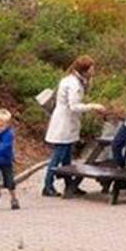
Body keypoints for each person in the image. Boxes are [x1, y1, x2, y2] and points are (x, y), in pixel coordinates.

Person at [42, 55, 106, 198]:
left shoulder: (73, 80)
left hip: (67, 123)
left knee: (66, 158)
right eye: (91, 68)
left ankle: (70, 185)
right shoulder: (73, 84)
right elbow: (74, 106)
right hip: (64, 124)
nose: (93, 70)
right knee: (58, 157)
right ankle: (47, 185)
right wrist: (93, 106)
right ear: (85, 69)